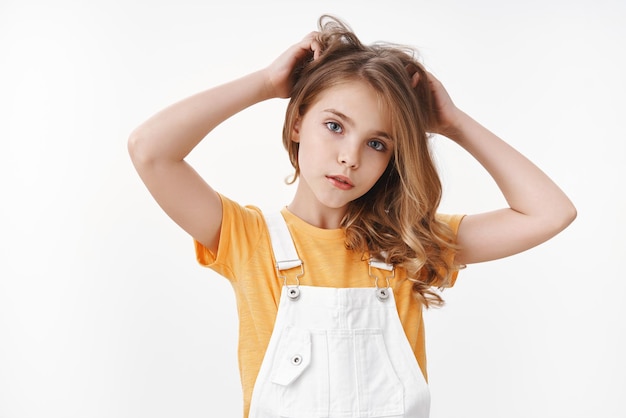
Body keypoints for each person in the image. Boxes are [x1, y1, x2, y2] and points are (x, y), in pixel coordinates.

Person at [128, 15, 576, 418]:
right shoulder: (248, 239)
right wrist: (266, 83)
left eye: (377, 143)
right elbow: (150, 151)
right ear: (298, 122)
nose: (350, 158)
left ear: (392, 160)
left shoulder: (408, 244)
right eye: (335, 126)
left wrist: (453, 123)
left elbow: (550, 213)